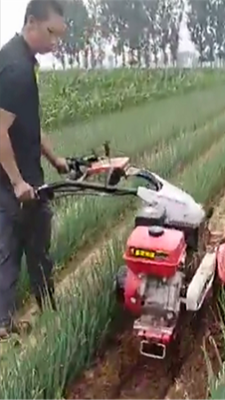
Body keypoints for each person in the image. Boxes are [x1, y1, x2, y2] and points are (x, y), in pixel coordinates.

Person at [0, 0, 68, 341]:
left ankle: (5, 322)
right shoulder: (16, 70)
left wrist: (54, 158)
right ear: (32, 23)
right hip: (17, 184)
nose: (56, 43)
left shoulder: (16, 58)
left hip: (15, 180)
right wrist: (18, 182)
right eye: (52, 33)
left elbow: (25, 125)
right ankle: (48, 315)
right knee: (31, 249)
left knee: (9, 252)